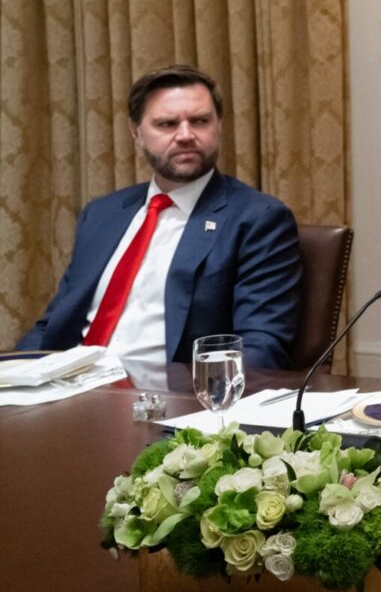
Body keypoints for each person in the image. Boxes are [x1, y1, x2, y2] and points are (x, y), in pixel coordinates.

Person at [17, 65, 302, 379]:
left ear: (218, 125)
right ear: (136, 132)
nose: (185, 136)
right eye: (167, 124)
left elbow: (261, 346)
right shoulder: (102, 215)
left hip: (162, 402)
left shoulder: (256, 218)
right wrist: (13, 379)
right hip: (66, 393)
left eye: (200, 121)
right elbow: (54, 324)